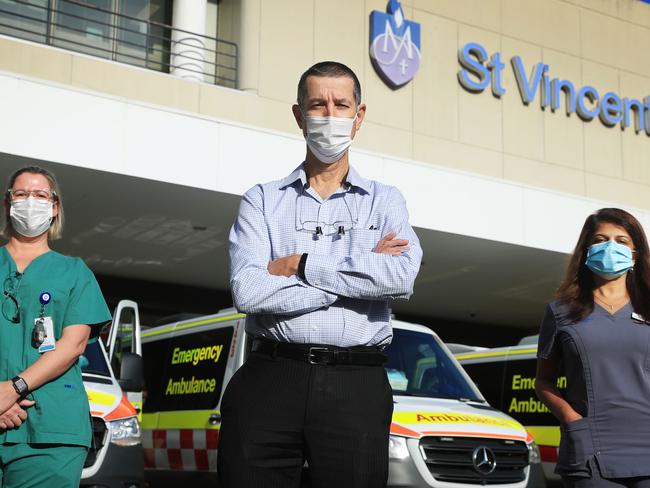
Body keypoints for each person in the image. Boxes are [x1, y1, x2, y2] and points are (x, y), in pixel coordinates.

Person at [218, 61, 422, 488]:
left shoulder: (385, 201)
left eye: (340, 104)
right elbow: (249, 292)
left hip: (356, 384)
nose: (329, 115)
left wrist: (302, 266)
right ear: (299, 115)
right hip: (271, 377)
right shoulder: (262, 200)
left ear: (359, 116)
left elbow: (400, 277)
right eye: (317, 105)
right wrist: (358, 276)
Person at [0, 166, 112, 487]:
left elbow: (72, 346)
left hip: (50, 434)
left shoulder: (75, 273)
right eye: (21, 195)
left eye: (40, 195)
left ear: (54, 207)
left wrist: (12, 390)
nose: (30, 201)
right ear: (8, 204)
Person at [535, 208, 650, 488]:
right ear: (586, 250)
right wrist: (571, 419)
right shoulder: (561, 311)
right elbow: (543, 381)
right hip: (590, 449)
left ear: (635, 254)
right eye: (600, 239)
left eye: (621, 241)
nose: (611, 246)